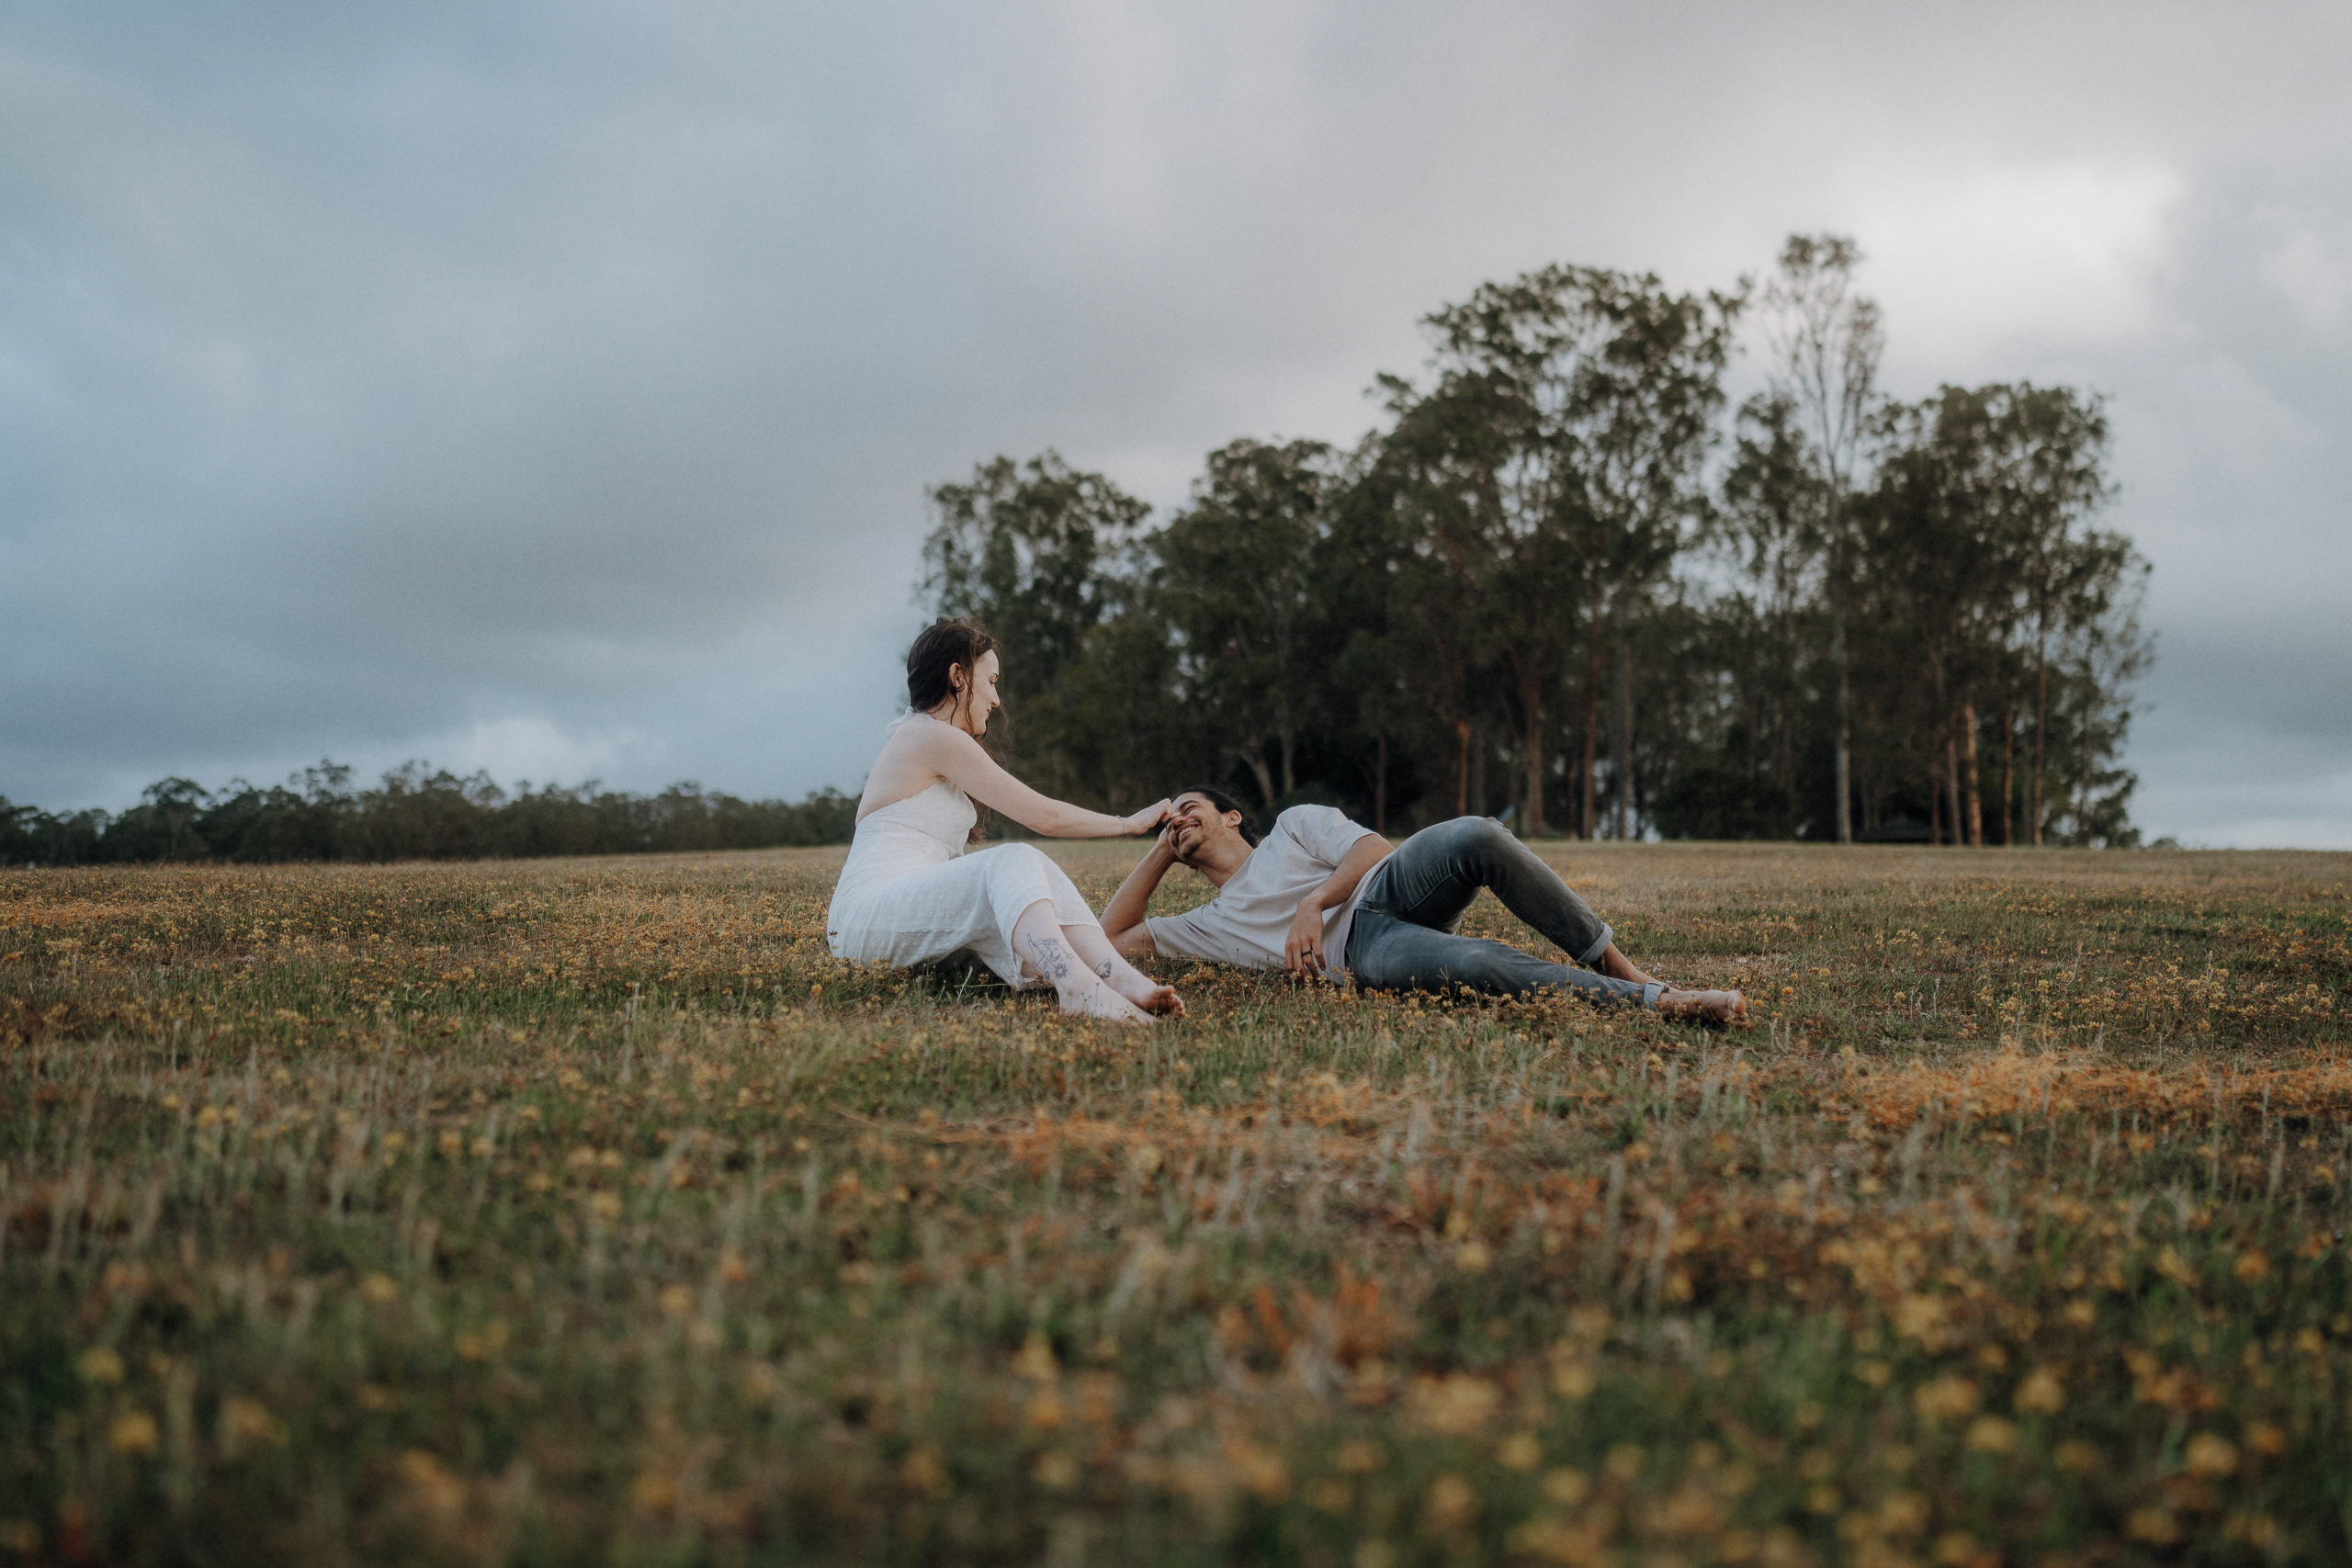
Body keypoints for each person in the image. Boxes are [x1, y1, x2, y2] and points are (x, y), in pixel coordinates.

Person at [1101, 789, 1747, 1024]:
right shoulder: (1203, 925)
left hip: (1390, 882)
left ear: (1232, 815)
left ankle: (1626, 971)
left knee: (1480, 833)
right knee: (1477, 961)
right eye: (1170, 816)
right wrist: (1158, 847)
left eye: (1190, 806)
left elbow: (1372, 848)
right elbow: (1112, 937)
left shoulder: (1293, 826)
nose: (1179, 817)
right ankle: (1657, 1003)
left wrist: (1314, 901)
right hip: (1362, 949)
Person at [826, 618, 1182, 1023]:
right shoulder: (928, 736)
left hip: (898, 912)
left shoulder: (925, 739)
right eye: (991, 681)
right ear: (957, 677)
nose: (996, 699)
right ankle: (1078, 988)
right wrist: (1128, 824)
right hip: (865, 919)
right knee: (1011, 859)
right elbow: (1045, 817)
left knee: (1037, 870)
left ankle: (1120, 978)